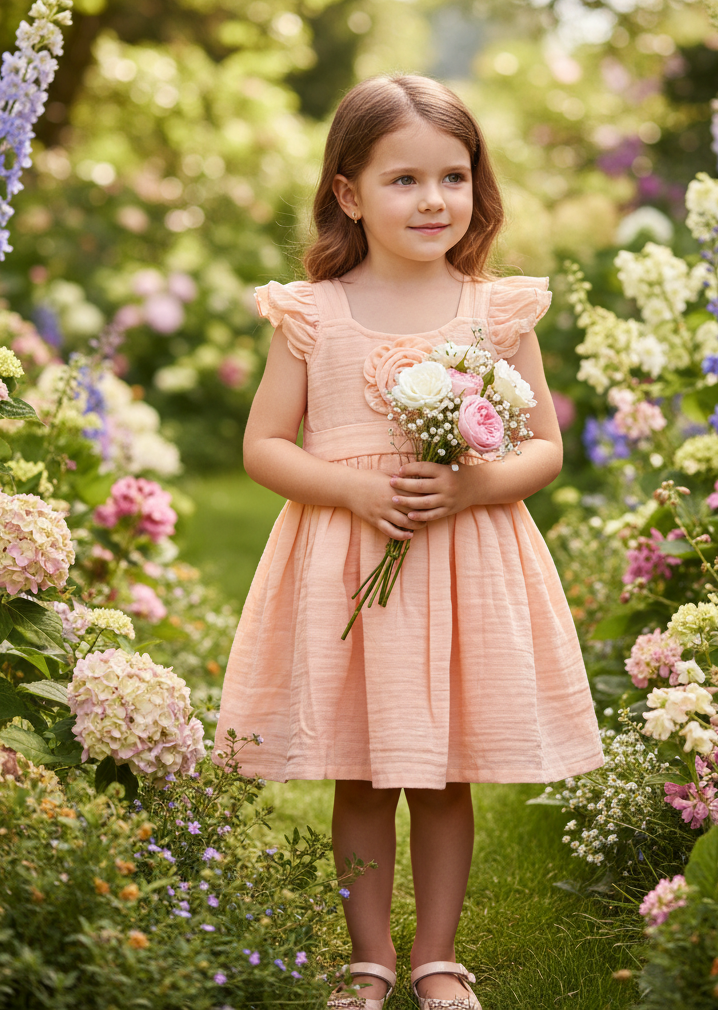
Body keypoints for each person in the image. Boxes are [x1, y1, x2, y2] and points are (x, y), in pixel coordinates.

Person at [214, 74, 603, 1010]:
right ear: (348, 192)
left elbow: (544, 448)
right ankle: (369, 959)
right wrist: (350, 488)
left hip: (460, 565)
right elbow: (263, 447)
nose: (434, 200)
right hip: (353, 567)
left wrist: (472, 484)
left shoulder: (494, 313)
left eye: (453, 177)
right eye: (403, 180)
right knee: (361, 768)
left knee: (440, 775)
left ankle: (437, 959)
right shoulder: (314, 315)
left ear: (477, 187)